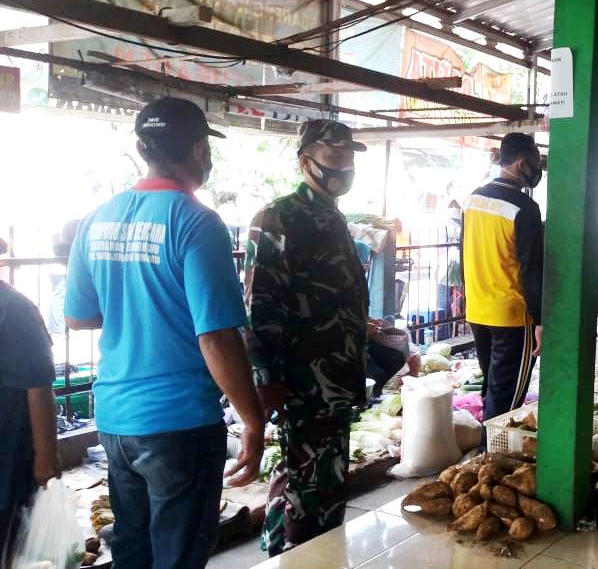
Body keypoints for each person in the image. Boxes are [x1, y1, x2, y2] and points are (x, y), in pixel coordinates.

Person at [64, 98, 264, 569]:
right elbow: (216, 338)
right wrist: (252, 421)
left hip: (115, 419)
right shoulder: (196, 223)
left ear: (141, 148)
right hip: (178, 423)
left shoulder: (97, 219)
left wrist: (135, 304)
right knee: (177, 556)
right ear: (199, 149)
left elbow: (78, 317)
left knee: (133, 549)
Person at [244, 119, 370, 555]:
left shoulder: (331, 216)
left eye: (349, 161)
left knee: (317, 473)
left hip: (336, 375)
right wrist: (266, 379)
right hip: (303, 379)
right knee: (313, 482)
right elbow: (259, 307)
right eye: (335, 159)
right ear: (305, 161)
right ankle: (304, 555)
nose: (344, 170)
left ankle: (282, 551)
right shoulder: (279, 217)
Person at [462, 132, 544, 423]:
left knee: (492, 389)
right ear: (521, 163)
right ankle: (491, 458)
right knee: (506, 401)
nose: (538, 170)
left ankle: (483, 459)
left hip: (477, 310)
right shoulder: (525, 208)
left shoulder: (473, 199)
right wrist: (539, 320)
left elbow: (465, 253)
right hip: (511, 316)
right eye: (536, 162)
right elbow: (532, 270)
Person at [1, 282, 60, 554]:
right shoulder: (14, 308)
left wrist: (45, 456)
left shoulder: (14, 310)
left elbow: (38, 388)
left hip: (10, 454)